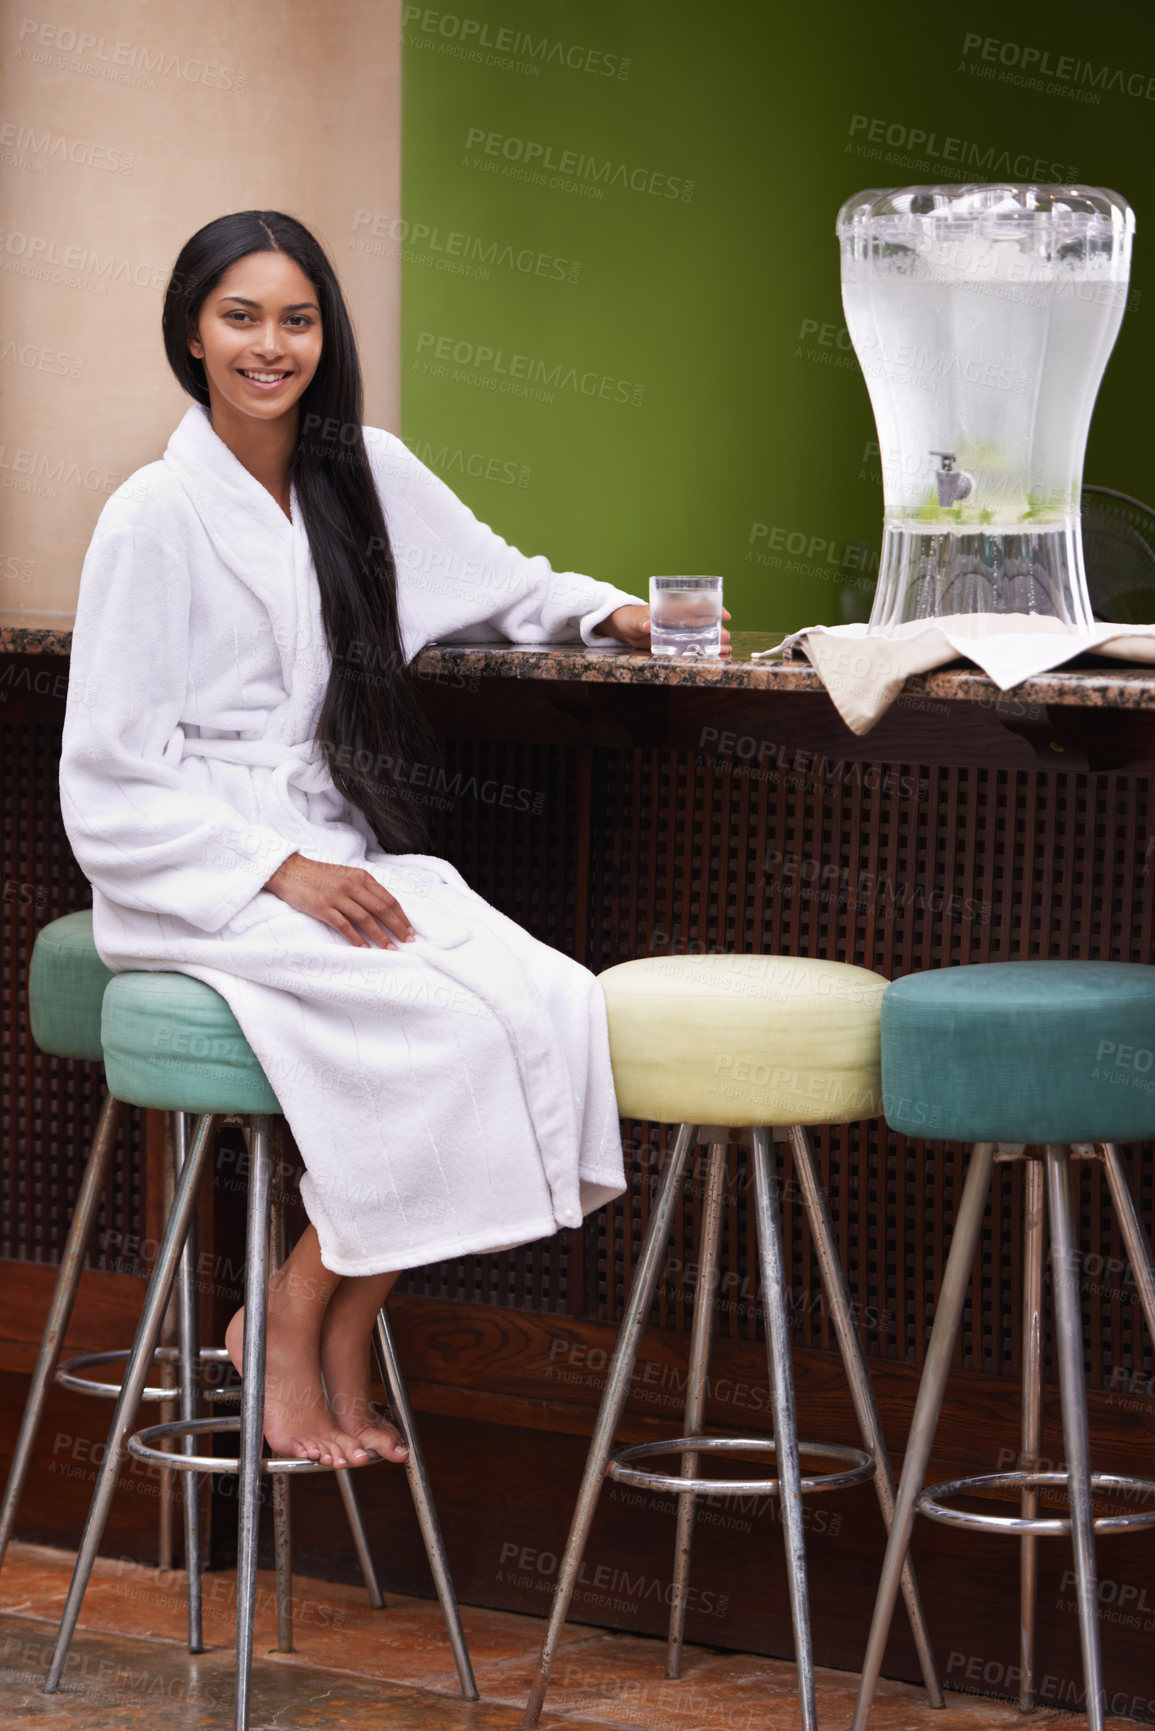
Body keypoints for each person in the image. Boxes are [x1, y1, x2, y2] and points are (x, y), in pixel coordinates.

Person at [59, 207, 732, 1476]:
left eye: (298, 318)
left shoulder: (356, 469)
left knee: (546, 998)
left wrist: (621, 615)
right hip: (200, 873)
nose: (273, 345)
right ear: (191, 337)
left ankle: (338, 1309)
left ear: (327, 332)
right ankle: (301, 1306)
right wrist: (276, 871)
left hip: (330, 844)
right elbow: (105, 775)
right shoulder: (153, 515)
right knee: (436, 1025)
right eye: (241, 317)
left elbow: (504, 580)